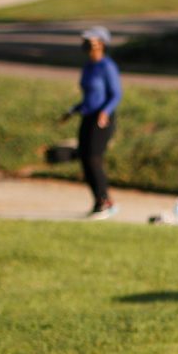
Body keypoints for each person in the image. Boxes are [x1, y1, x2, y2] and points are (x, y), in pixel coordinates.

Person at [61, 26, 121, 220]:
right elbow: (90, 97)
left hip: (102, 118)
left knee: (94, 158)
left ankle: (106, 202)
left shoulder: (107, 66)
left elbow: (115, 94)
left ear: (102, 44)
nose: (86, 45)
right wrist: (72, 110)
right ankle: (98, 201)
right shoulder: (88, 66)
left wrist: (105, 112)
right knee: (85, 159)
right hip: (88, 116)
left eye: (91, 41)